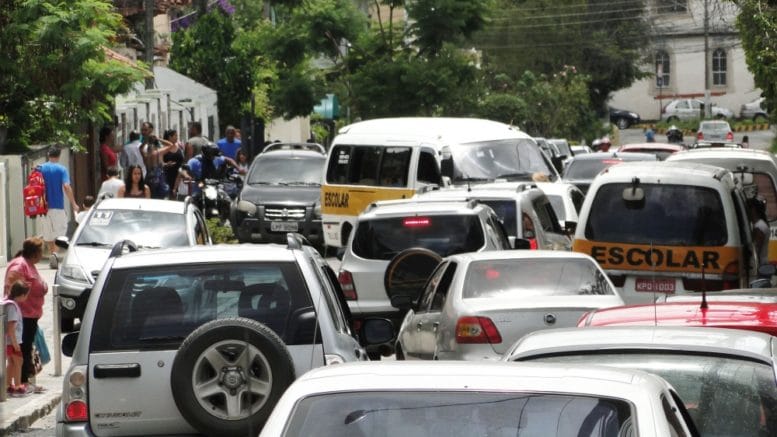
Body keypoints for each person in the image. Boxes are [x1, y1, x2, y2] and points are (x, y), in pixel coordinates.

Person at [4, 237, 48, 394]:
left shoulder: (29, 265)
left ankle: (21, 381)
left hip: (30, 315)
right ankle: (19, 383)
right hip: (21, 316)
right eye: (41, 251)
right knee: (20, 352)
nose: (42, 255)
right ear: (35, 253)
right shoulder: (19, 266)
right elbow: (11, 287)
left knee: (26, 349)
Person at [38, 147, 79, 266]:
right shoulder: (61, 169)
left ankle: (52, 255)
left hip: (43, 207)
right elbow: (66, 186)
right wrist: (74, 203)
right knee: (61, 232)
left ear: (48, 155)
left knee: (49, 233)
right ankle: (55, 254)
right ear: (59, 155)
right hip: (57, 206)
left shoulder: (41, 168)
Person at [3, 280, 30, 397]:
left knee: (12, 363)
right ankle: (18, 385)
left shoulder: (9, 304)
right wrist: (15, 343)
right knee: (19, 361)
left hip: (8, 341)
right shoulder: (13, 307)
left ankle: (8, 384)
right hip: (12, 341)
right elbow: (11, 328)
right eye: (26, 295)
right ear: (22, 295)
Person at [140, 122, 177, 199]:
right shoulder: (158, 152)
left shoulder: (146, 155)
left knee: (150, 198)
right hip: (158, 178)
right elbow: (170, 144)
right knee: (160, 199)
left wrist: (145, 141)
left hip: (148, 178)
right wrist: (158, 138)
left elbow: (140, 148)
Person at [162, 129, 185, 200]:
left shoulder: (179, 147)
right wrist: (166, 164)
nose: (177, 137)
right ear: (170, 137)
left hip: (178, 175)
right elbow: (160, 162)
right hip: (168, 175)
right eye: (175, 136)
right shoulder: (164, 149)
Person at [749, 197, 770, 271]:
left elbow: (756, 249)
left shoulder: (759, 227)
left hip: (760, 265)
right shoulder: (760, 224)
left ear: (753, 210)